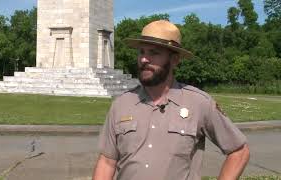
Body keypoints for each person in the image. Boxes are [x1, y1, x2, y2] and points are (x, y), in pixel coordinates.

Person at [92, 20, 250, 180]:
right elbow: (107, 162)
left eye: (154, 53)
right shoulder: (121, 105)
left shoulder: (199, 103)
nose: (144, 59)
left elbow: (239, 151)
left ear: (174, 60)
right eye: (141, 52)